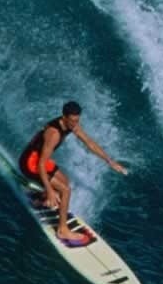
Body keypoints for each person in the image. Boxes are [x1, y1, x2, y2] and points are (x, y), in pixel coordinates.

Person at [20, 101, 127, 243]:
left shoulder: (72, 124)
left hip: (39, 159)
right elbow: (40, 165)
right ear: (64, 117)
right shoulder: (54, 134)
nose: (74, 124)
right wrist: (50, 190)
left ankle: (42, 199)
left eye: (77, 120)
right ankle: (62, 230)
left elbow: (89, 142)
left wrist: (109, 160)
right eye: (72, 121)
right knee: (65, 190)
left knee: (65, 181)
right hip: (31, 163)